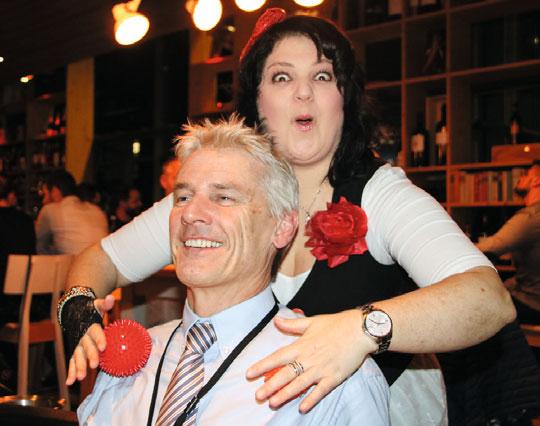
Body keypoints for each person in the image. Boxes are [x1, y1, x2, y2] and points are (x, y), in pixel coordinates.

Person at [64, 9, 515, 425]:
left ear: (344, 99)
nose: (303, 92)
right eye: (282, 77)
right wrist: (80, 311)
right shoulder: (212, 198)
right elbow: (99, 261)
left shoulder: (381, 194)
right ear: (256, 102)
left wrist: (360, 329)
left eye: (322, 76)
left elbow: (488, 300)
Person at [75, 117, 389, 425]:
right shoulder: (134, 360)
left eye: (224, 197)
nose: (190, 214)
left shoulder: (330, 377)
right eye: (183, 197)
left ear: (282, 227)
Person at [477, 159, 540, 324]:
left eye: (526, 175)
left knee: (472, 307)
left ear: (536, 180)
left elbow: (488, 248)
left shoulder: (530, 217)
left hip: (533, 303)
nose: (521, 178)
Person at [35, 170, 109, 255]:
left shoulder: (50, 210)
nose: (44, 201)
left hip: (79, 262)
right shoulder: (97, 210)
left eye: (45, 194)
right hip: (104, 261)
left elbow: (40, 248)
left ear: (55, 191)